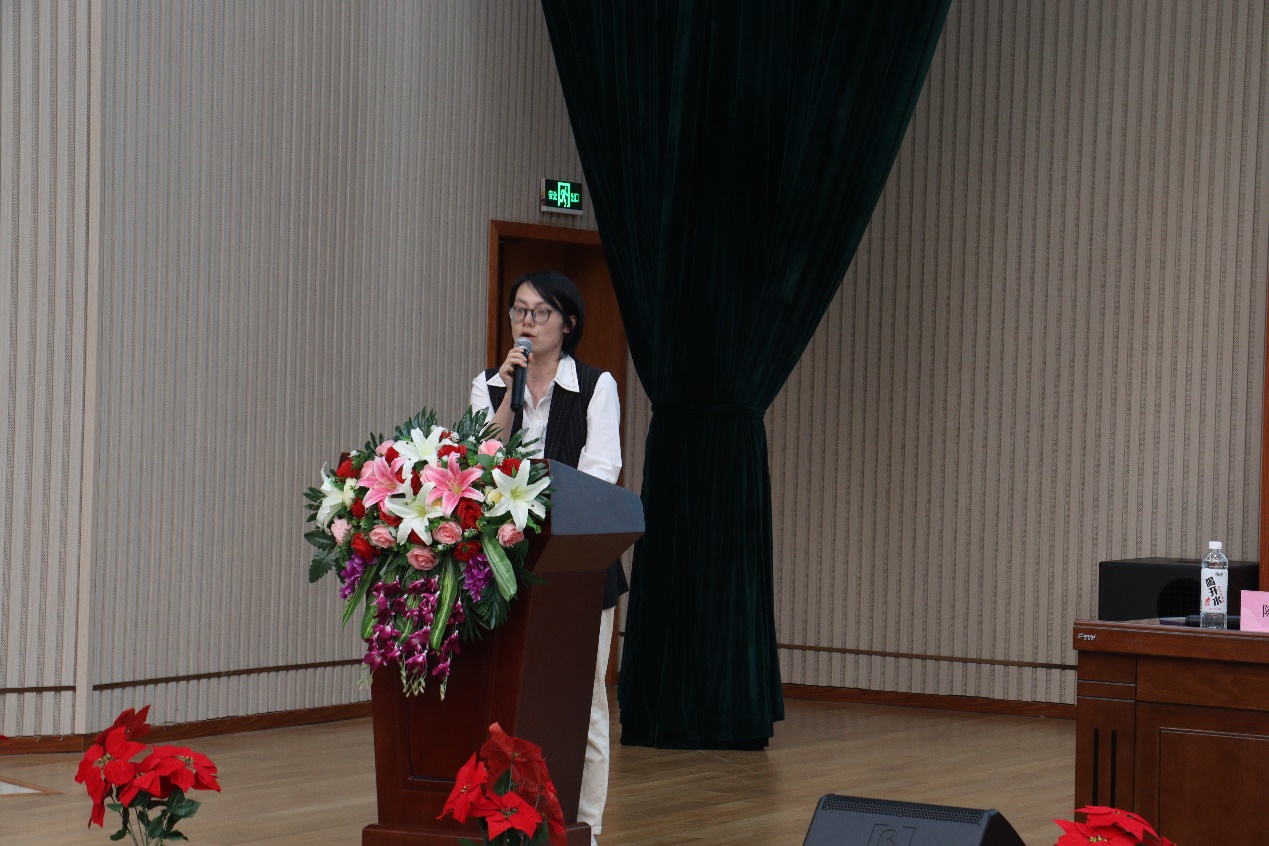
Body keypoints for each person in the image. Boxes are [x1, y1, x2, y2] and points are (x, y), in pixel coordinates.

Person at [470, 269, 624, 846]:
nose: (527, 322)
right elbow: (478, 465)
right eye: (519, 310)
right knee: (507, 700)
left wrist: (533, 503)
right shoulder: (490, 385)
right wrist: (506, 397)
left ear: (568, 323)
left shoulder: (596, 385)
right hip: (506, 565)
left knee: (584, 706)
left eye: (540, 312)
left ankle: (587, 830)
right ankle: (509, 823)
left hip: (579, 567)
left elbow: (601, 474)